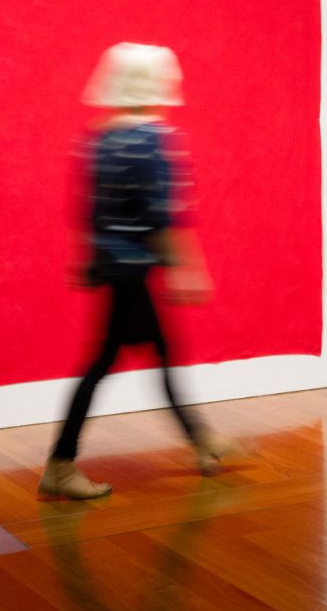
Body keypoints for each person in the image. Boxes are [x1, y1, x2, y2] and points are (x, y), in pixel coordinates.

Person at [40, 42, 236, 500]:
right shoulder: (152, 138)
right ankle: (61, 465)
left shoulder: (99, 137)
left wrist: (89, 257)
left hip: (113, 267)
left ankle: (203, 441)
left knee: (157, 352)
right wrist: (189, 267)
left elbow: (87, 208)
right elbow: (162, 214)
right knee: (105, 362)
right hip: (135, 270)